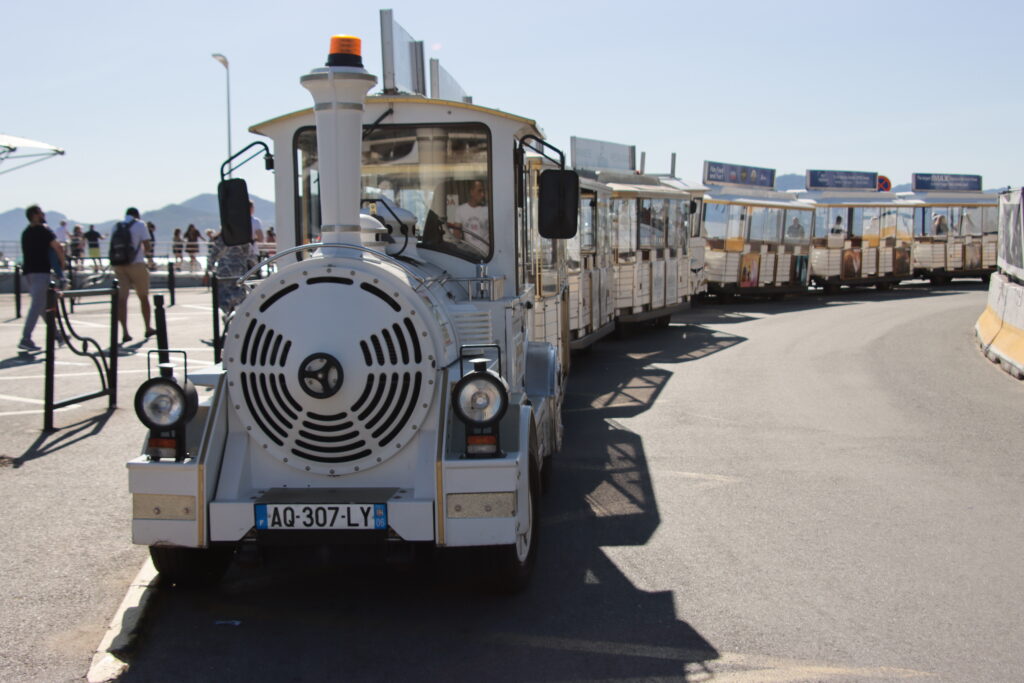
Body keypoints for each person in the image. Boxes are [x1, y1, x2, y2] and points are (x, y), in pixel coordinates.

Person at [19, 205, 65, 351]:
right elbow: (57, 246)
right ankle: (26, 338)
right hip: (40, 272)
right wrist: (62, 263)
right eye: (40, 212)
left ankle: (57, 335)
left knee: (43, 307)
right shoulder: (44, 230)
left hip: (28, 273)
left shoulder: (26, 232)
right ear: (35, 215)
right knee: (37, 306)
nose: (43, 214)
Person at [112, 207, 155, 342]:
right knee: (143, 297)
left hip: (119, 265)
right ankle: (147, 327)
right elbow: (147, 246)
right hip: (136, 264)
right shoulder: (140, 225)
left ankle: (125, 332)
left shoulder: (117, 225)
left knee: (122, 299)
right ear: (137, 215)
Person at [206, 229, 250, 318]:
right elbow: (247, 253)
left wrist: (209, 268)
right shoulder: (242, 238)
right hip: (239, 269)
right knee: (239, 292)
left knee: (225, 294)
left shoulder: (223, 238)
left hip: (225, 270)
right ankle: (236, 314)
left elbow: (214, 253)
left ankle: (228, 314)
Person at [447, 179, 489, 256]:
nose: (482, 194)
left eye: (483, 191)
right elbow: (456, 234)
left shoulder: (488, 210)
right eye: (479, 191)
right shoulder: (461, 210)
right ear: (471, 192)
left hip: (487, 256)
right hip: (469, 256)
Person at [250, 201, 264, 266]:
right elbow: (261, 238)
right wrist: (253, 239)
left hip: (238, 254)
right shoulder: (255, 221)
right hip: (252, 252)